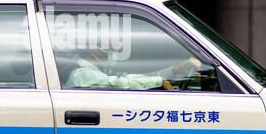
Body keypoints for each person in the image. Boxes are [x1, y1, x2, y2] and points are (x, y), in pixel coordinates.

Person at [66, 45, 203, 90]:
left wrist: (176, 70)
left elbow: (134, 78)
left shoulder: (98, 71)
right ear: (93, 51)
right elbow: (121, 83)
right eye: (109, 49)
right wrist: (159, 81)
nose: (112, 53)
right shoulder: (81, 73)